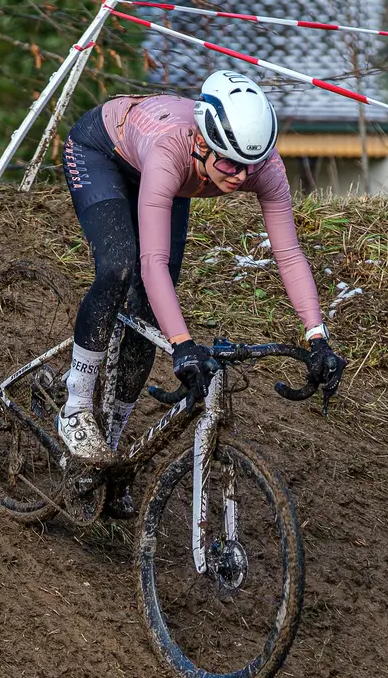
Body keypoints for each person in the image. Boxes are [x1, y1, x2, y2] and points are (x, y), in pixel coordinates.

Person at [57, 70, 347, 518]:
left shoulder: (259, 166)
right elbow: (149, 264)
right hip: (104, 152)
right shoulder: (174, 149)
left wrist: (318, 336)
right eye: (229, 164)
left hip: (172, 176)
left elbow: (287, 254)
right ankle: (76, 405)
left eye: (249, 165)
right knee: (121, 266)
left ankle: (110, 448)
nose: (239, 177)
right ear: (203, 143)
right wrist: (184, 348)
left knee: (152, 307)